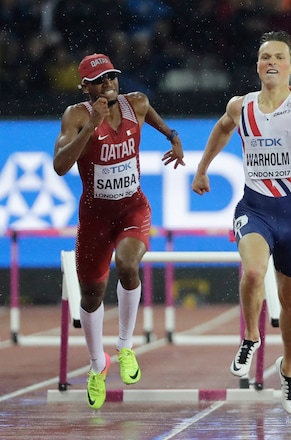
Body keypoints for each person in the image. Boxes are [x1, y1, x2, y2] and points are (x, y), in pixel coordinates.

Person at [191, 31, 291, 415]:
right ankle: (251, 337)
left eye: (278, 57)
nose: (270, 62)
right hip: (254, 208)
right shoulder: (241, 106)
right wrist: (203, 169)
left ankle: (288, 369)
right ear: (257, 66)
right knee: (254, 271)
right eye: (264, 57)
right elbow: (223, 128)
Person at [53, 53, 185, 410]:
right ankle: (98, 365)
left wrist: (172, 136)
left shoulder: (136, 103)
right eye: (99, 80)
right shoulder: (76, 115)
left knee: (128, 265)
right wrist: (90, 126)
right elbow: (60, 166)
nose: (107, 83)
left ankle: (125, 346)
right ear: (85, 87)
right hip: (95, 218)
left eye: (111, 76)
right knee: (91, 296)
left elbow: (155, 118)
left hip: (132, 208)